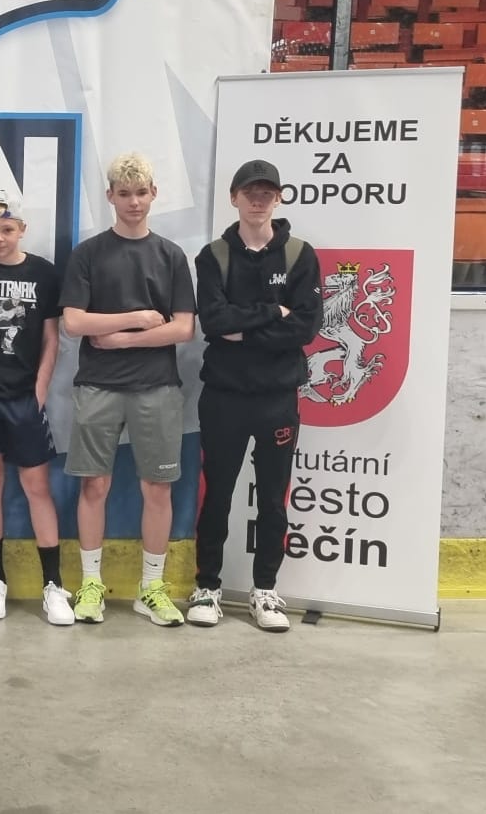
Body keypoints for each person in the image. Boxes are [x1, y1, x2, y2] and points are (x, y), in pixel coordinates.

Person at [60, 153, 197, 626]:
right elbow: (74, 322)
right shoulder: (89, 253)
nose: (133, 202)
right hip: (98, 385)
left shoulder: (171, 255)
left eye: (141, 193)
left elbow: (183, 329)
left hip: (157, 387)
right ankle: (91, 584)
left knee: (157, 487)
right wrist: (136, 318)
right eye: (124, 193)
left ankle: (151, 588)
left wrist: (121, 339)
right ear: (110, 197)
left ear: (153, 194)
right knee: (94, 484)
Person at [189, 159, 321, 631]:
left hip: (277, 399)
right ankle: (207, 587)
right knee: (217, 496)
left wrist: (245, 329)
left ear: (279, 198)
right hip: (224, 397)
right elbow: (214, 322)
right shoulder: (213, 256)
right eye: (250, 191)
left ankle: (265, 590)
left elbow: (305, 328)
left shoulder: (300, 255)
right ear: (234, 197)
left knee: (272, 500)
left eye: (267, 192)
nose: (258, 200)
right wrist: (273, 312)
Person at [0, 189, 70, 625]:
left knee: (36, 488)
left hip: (25, 399)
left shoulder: (43, 273)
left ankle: (53, 585)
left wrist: (39, 391)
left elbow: (51, 337)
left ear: (22, 229)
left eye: (7, 229)